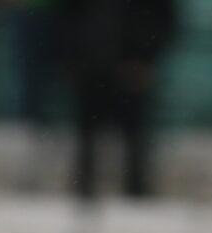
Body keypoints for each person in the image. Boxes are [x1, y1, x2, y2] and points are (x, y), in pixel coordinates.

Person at [55, 0, 174, 199]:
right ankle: (83, 192)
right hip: (90, 69)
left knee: (134, 138)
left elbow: (162, 19)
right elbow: (66, 18)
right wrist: (74, 60)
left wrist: (145, 58)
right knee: (86, 136)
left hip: (131, 69)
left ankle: (136, 194)